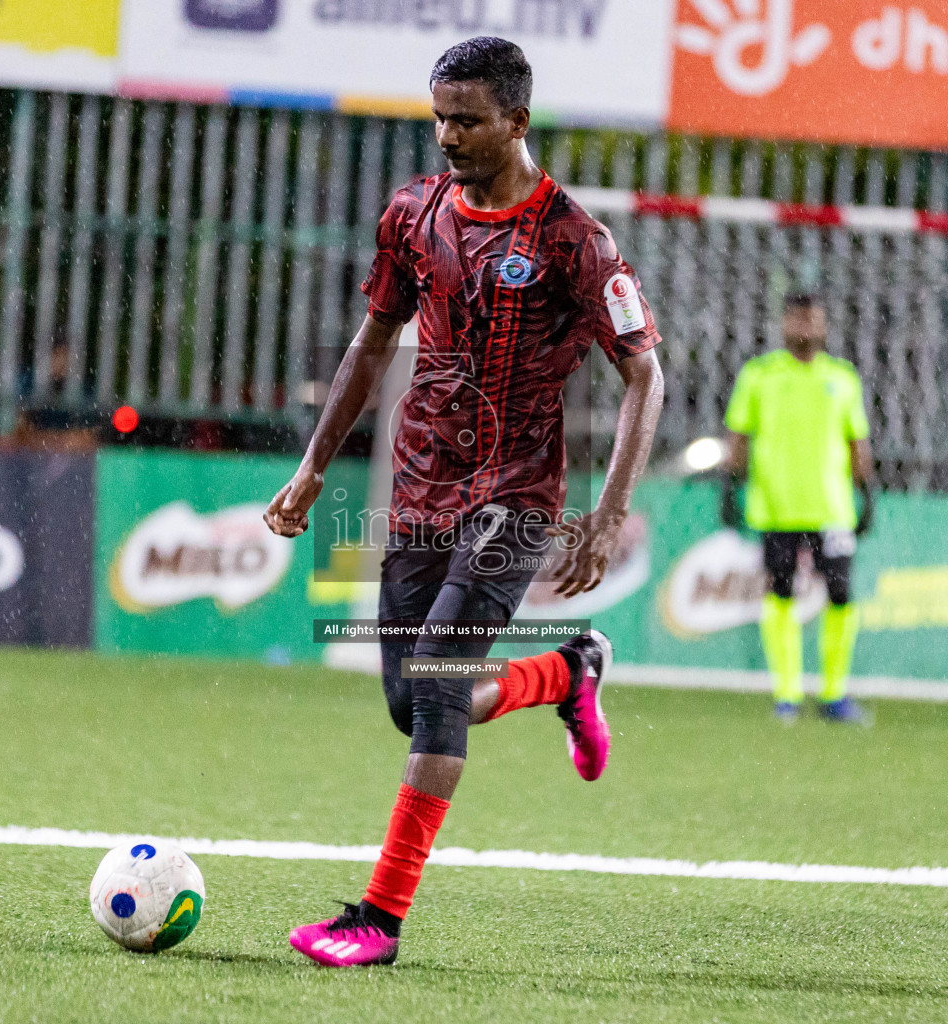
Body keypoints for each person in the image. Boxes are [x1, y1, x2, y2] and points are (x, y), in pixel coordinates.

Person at [263, 36, 664, 967]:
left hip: (516, 496)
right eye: (439, 116)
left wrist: (606, 516)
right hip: (419, 485)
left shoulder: (574, 239)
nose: (447, 135)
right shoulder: (411, 212)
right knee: (412, 704)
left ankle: (378, 921)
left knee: (437, 691)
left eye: (467, 120)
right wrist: (316, 466)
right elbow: (372, 344)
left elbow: (646, 376)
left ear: (516, 121)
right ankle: (565, 673)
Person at [721, 293, 876, 724]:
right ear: (784, 323)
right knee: (781, 593)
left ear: (824, 325)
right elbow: (739, 436)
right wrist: (729, 488)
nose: (804, 327)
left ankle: (834, 694)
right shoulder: (760, 375)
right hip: (777, 507)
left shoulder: (843, 378)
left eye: (812, 318)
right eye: (797, 318)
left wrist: (869, 494)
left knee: (841, 594)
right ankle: (787, 694)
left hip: (832, 509)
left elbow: (856, 440)